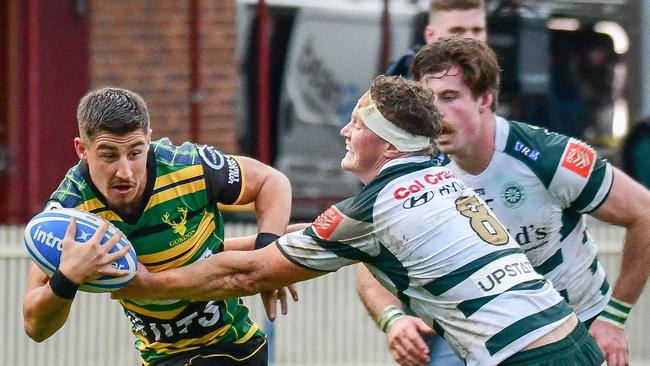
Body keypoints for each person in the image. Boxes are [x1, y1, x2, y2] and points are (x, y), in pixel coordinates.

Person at [114, 75, 606, 366]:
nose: (345, 130)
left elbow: (247, 274)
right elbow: (308, 237)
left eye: (358, 123)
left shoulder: (376, 207)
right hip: (571, 340)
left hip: (526, 357)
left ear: (388, 143)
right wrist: (198, 251)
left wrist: (143, 283)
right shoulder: (435, 174)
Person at [359, 37, 650, 366]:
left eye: (450, 97)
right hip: (488, 345)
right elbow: (369, 253)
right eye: (428, 99)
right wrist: (393, 319)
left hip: (575, 335)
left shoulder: (546, 157)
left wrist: (614, 318)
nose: (435, 112)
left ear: (485, 99)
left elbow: (644, 212)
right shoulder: (419, 171)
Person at [22, 87, 295, 366]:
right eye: (109, 156)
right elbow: (35, 326)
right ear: (82, 150)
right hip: (161, 357)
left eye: (135, 153)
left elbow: (271, 182)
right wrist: (67, 277)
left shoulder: (187, 166)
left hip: (234, 346)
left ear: (149, 141)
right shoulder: (69, 214)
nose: (125, 172)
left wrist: (267, 252)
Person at [385, 0, 486, 79]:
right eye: (458, 31)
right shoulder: (406, 91)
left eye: (477, 30)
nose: (471, 39)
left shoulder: (490, 76)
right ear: (430, 35)